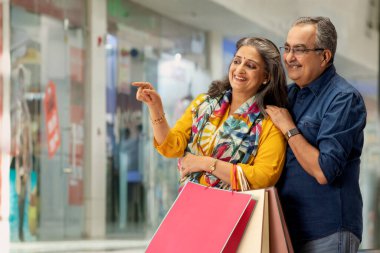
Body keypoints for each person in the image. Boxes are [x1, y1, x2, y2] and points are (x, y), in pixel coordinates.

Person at [132, 37, 288, 191]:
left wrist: (204, 163)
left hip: (236, 211)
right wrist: (155, 107)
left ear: (266, 77)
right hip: (191, 202)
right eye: (237, 61)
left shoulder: (270, 121)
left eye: (250, 66)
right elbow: (172, 147)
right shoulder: (204, 104)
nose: (239, 69)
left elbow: (264, 177)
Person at [265, 17, 366, 252]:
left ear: (324, 56)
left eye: (299, 50)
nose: (289, 58)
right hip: (287, 231)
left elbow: (323, 171)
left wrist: (289, 129)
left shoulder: (343, 99)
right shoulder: (286, 96)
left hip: (327, 233)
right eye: (287, 48)